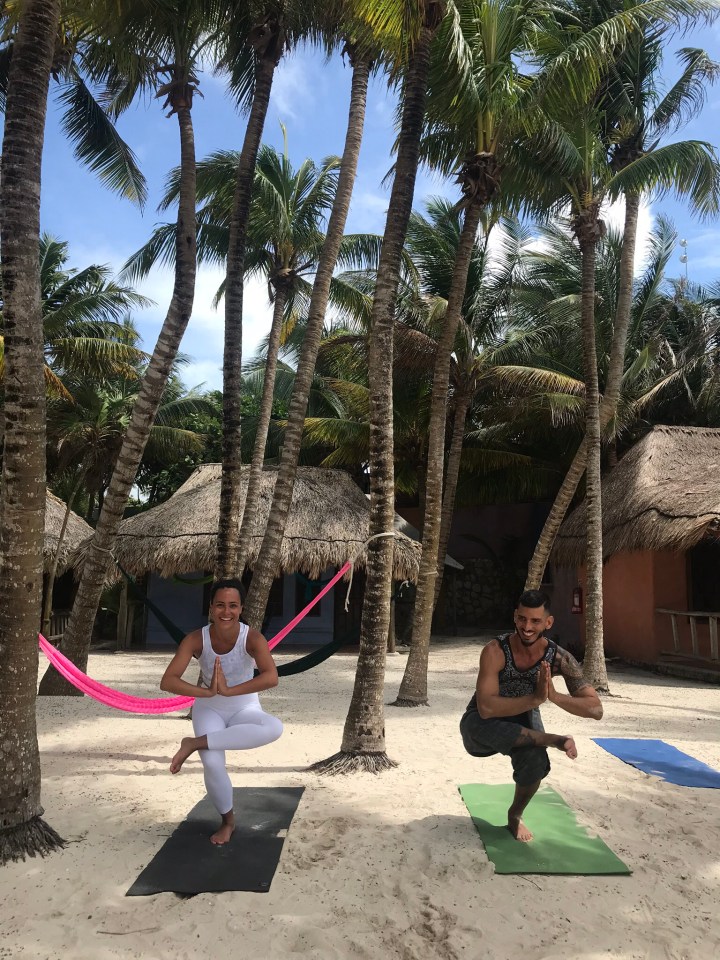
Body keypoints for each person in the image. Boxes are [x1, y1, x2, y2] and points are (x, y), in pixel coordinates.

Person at [460, 589, 603, 842]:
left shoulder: (560, 658)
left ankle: (515, 815)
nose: (527, 627)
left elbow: (595, 709)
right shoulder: (495, 651)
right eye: (522, 619)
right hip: (483, 725)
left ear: (548, 623)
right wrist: (535, 699)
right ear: (515, 617)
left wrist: (555, 696)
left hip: (525, 724)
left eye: (535, 621)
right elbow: (486, 708)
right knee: (475, 726)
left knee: (535, 762)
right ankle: (554, 739)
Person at [160, 578, 283, 845]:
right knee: (213, 765)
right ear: (211, 608)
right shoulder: (196, 639)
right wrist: (206, 692)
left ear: (240, 608)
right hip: (209, 709)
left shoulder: (252, 638)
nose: (226, 612)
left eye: (232, 606)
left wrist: (229, 691)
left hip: (245, 707)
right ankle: (228, 821)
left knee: (274, 728)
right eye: (220, 605)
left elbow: (271, 677)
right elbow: (168, 680)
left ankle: (194, 743)